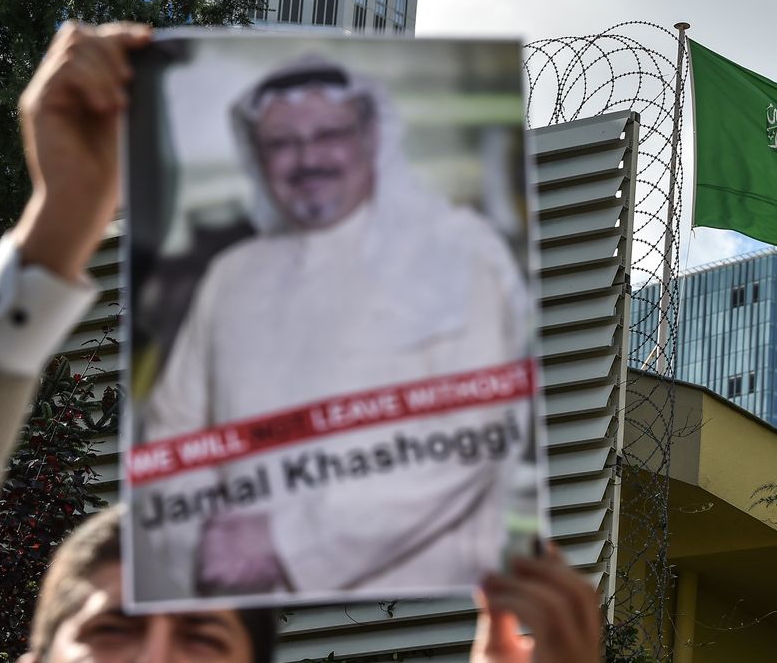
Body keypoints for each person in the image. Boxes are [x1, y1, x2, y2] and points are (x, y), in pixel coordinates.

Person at [0, 22, 602, 663]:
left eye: (201, 637)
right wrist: (60, 224)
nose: (155, 658)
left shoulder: (461, 253)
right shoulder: (232, 279)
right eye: (109, 628)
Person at [137, 53, 534, 600]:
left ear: (370, 136)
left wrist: (285, 542)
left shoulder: (456, 253)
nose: (307, 159)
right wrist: (203, 545)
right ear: (258, 156)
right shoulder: (231, 276)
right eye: (282, 143)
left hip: (415, 615)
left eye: (329, 134)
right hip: (241, 606)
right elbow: (174, 432)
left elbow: (473, 437)